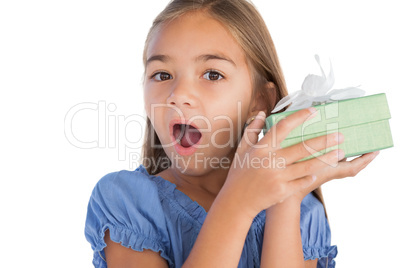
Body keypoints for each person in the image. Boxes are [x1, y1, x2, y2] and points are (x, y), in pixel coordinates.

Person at [85, 0, 379, 267]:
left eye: (212, 74)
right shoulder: (126, 203)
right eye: (162, 75)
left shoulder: (303, 214)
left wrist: (285, 199)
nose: (179, 94)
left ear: (260, 101)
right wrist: (238, 204)